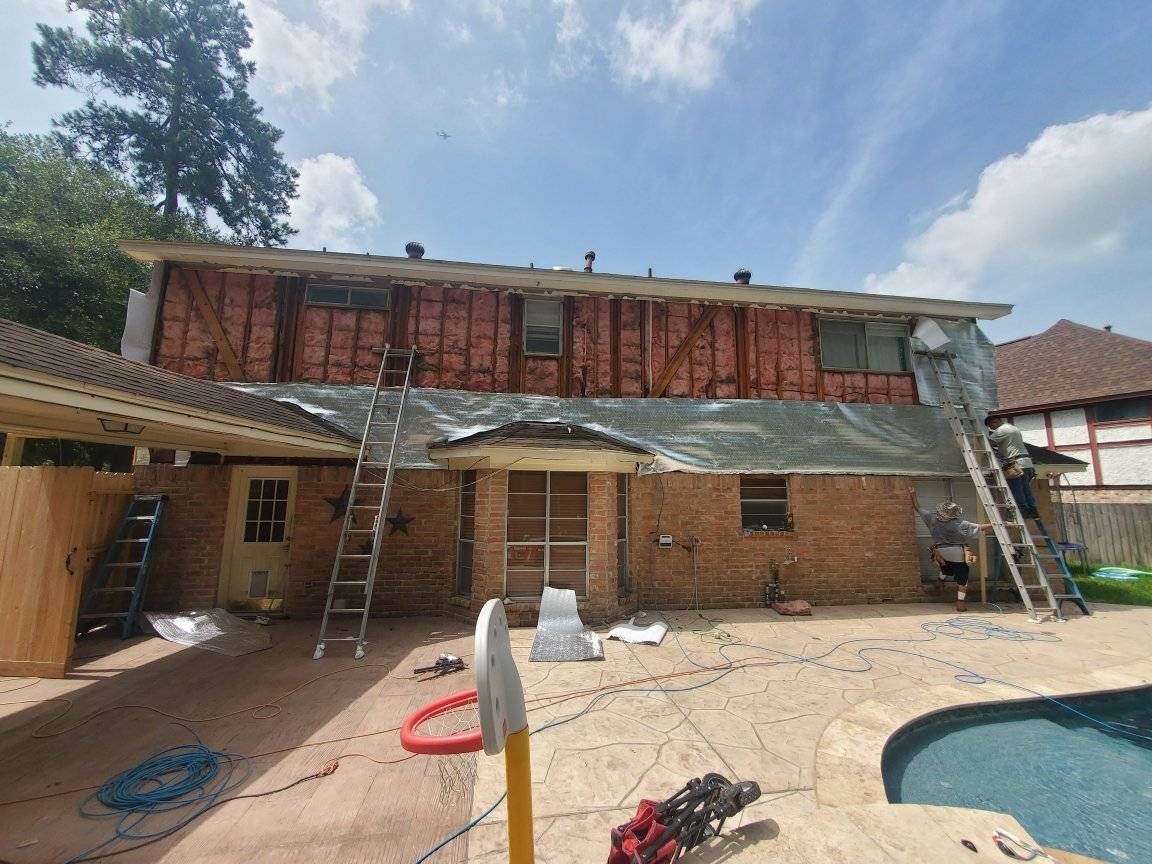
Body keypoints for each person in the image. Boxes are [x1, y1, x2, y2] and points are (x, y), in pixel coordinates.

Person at [908, 488, 993, 612]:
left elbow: (918, 508)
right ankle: (960, 603)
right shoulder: (961, 524)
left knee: (946, 565)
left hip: (941, 551)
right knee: (962, 580)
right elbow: (980, 528)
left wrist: (913, 495)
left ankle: (940, 581)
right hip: (958, 552)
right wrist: (996, 524)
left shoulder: (932, 519)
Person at [985, 416, 1038, 518]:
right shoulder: (1013, 428)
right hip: (1027, 463)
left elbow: (987, 443)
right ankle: (1033, 510)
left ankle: (1022, 511)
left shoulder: (1001, 430)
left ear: (997, 421)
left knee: (1016, 489)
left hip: (1015, 464)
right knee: (1026, 489)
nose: (992, 428)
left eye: (992, 425)